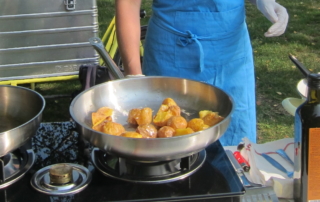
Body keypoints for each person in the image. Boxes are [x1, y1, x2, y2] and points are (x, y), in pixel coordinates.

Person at [115, 0, 289, 146]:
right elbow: (128, 4)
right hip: (171, 55)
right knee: (172, 143)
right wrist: (134, 76)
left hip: (232, 56)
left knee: (235, 152)